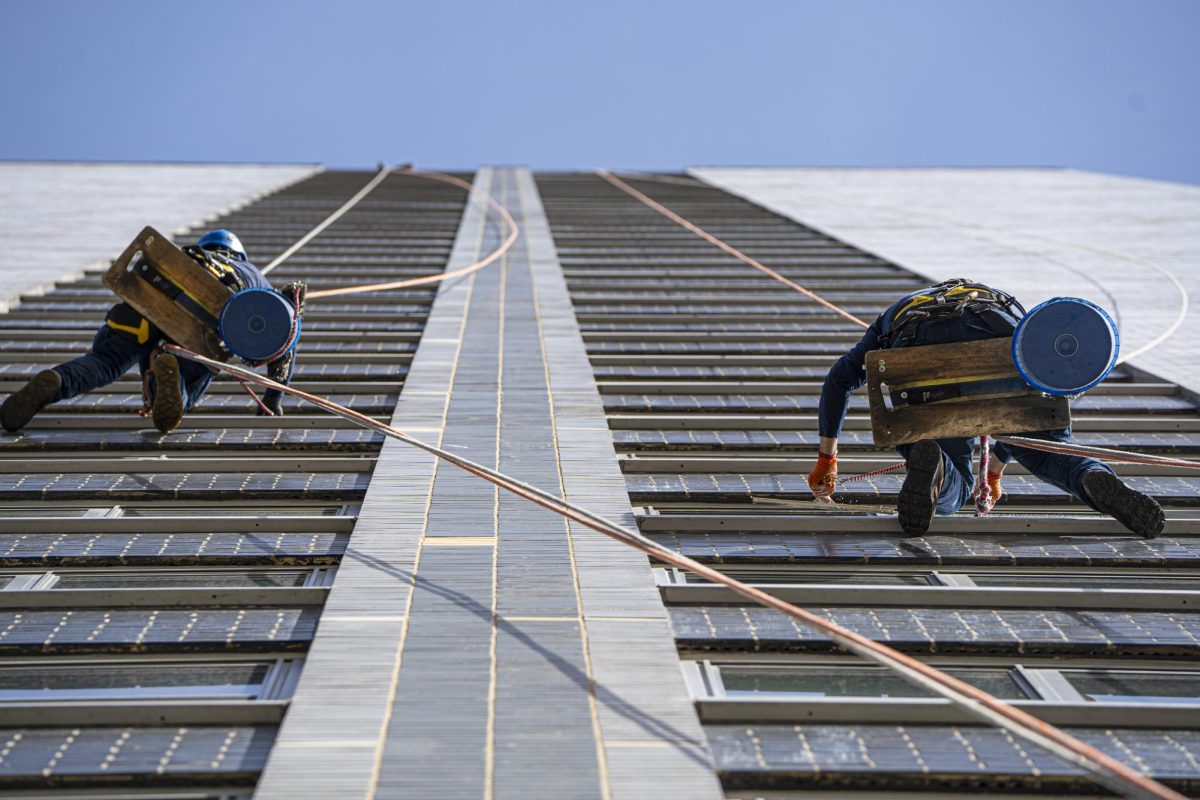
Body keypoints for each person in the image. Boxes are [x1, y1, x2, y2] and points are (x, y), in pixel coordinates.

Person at [807, 278, 1165, 538]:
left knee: (956, 483)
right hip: (998, 340)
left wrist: (827, 460)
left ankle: (940, 471)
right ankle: (1090, 475)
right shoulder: (997, 298)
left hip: (919, 357)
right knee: (1048, 450)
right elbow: (1016, 406)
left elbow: (839, 379)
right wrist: (994, 473)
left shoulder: (899, 309)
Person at [1, 230, 304, 434]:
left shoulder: (187, 257)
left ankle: (57, 380)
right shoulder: (254, 280)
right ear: (240, 254)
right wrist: (273, 401)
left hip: (143, 311)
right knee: (189, 375)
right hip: (197, 333)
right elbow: (284, 340)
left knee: (104, 362)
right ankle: (166, 378)